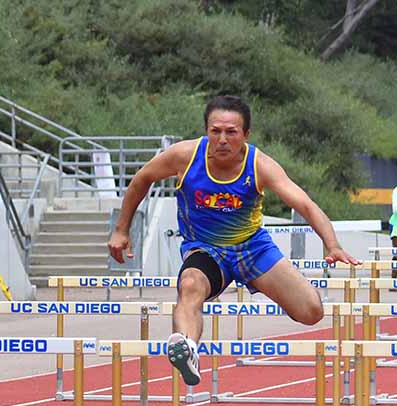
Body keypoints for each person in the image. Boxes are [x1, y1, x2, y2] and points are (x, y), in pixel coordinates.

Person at [108, 94, 359, 386]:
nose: (223, 140)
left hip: (252, 249)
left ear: (246, 135)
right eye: (216, 131)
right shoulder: (184, 156)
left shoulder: (260, 165)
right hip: (206, 250)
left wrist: (332, 244)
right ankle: (186, 347)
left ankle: (262, 283)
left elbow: (304, 204)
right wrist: (121, 229)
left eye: (231, 132)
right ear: (206, 132)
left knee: (311, 311)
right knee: (189, 286)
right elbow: (142, 179)